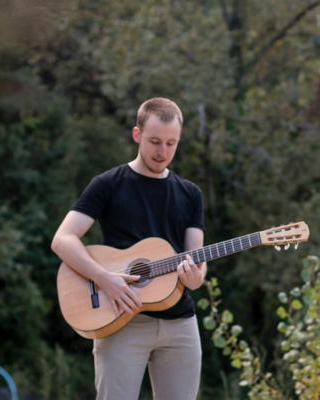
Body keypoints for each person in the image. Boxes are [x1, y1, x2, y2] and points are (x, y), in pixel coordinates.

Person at [51, 97, 205, 400]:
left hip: (181, 326)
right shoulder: (108, 184)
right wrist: (104, 278)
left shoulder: (190, 194)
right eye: (155, 141)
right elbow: (63, 239)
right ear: (137, 135)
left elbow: (197, 260)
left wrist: (195, 279)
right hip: (120, 318)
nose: (162, 152)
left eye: (171, 143)